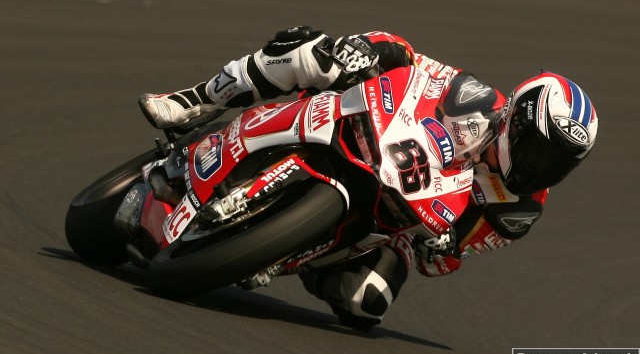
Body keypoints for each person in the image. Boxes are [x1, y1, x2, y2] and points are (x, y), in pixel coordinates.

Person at [140, 26, 598, 330]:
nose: (541, 168)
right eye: (540, 151)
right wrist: (368, 48)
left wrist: (442, 248)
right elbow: (411, 59)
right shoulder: (475, 99)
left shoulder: (519, 209)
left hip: (402, 224)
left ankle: (290, 254)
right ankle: (197, 99)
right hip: (376, 140)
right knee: (314, 53)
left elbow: (444, 261)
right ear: (516, 119)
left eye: (558, 163)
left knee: (367, 303)